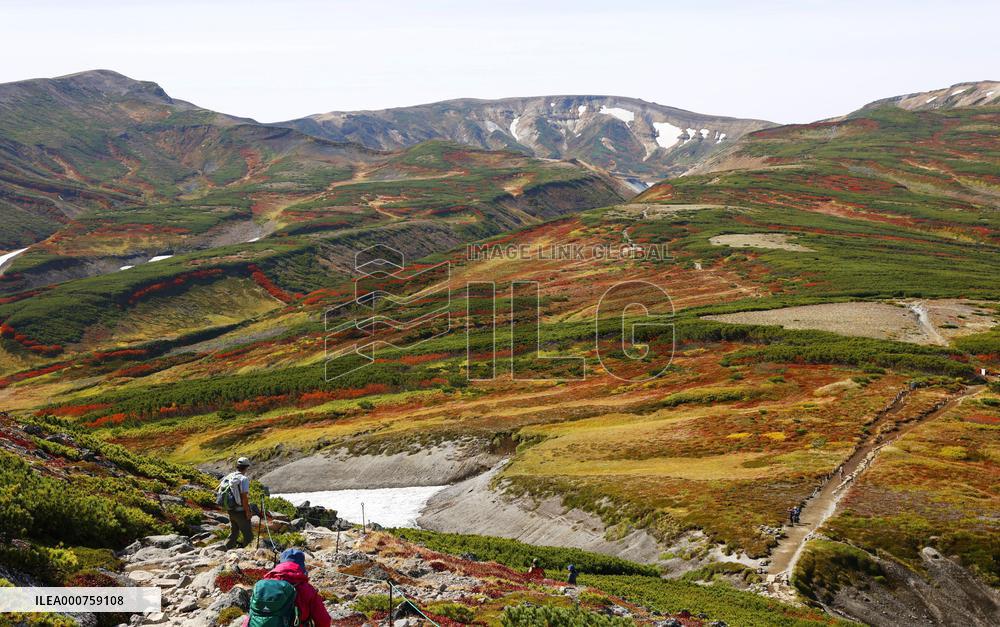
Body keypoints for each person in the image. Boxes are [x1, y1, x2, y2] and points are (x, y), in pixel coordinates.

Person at [243, 549, 331, 627]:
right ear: (301, 565)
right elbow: (324, 621)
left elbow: (251, 615)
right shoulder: (306, 589)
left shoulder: (263, 586)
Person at [222, 457, 253, 550]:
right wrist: (247, 512)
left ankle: (224, 549)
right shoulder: (243, 479)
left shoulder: (231, 476)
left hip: (231, 509)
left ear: (238, 466)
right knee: (248, 535)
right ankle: (248, 552)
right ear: (247, 467)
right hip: (240, 511)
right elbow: (244, 497)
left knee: (234, 532)